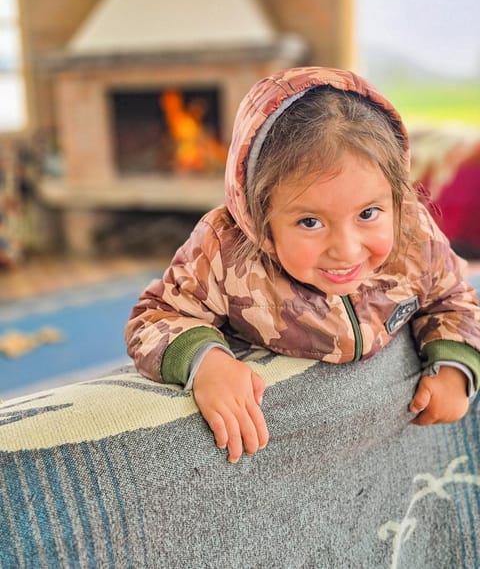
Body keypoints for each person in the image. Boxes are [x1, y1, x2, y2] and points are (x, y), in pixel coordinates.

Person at [125, 67, 480, 463]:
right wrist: (206, 363)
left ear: (395, 195)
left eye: (368, 213)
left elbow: (453, 297)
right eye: (310, 222)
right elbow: (155, 317)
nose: (346, 251)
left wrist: (455, 366)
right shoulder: (224, 248)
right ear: (260, 216)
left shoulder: (414, 232)